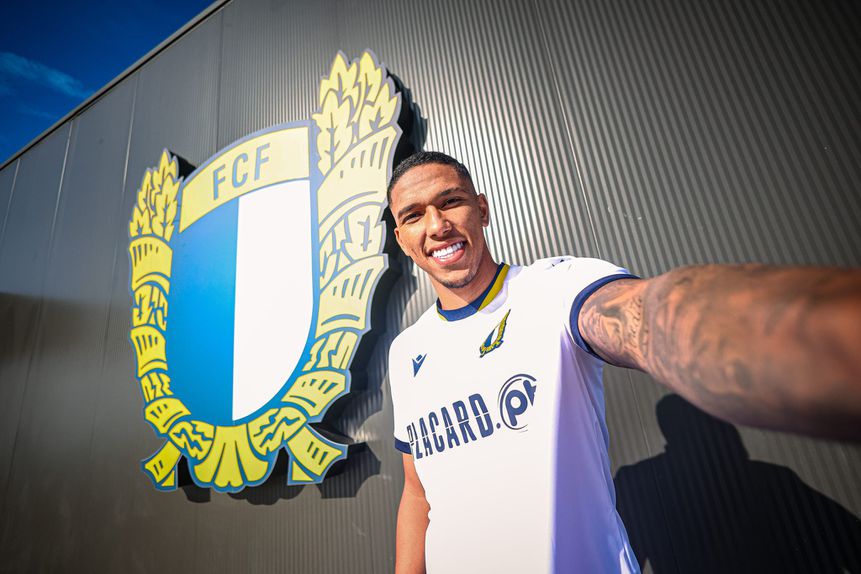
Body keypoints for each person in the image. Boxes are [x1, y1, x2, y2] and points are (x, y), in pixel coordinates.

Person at [385, 151, 861, 573]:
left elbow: (649, 314)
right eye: (414, 215)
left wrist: (809, 335)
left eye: (450, 202)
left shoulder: (554, 287)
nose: (437, 225)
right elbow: (418, 491)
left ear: (482, 209)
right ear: (402, 239)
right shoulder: (406, 353)